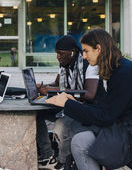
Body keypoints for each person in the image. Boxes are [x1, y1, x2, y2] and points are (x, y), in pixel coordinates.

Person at [46, 29, 132, 170]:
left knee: (80, 142)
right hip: (131, 125)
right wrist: (73, 102)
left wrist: (67, 104)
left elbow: (106, 116)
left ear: (99, 49)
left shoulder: (124, 73)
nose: (83, 56)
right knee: (72, 127)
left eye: (86, 51)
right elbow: (107, 109)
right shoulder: (117, 69)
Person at [36, 35, 105, 169]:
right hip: (67, 103)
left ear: (72, 52)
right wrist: (43, 88)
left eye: (61, 54)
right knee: (38, 116)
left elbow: (90, 95)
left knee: (62, 126)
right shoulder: (64, 66)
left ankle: (63, 162)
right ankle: (47, 155)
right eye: (57, 54)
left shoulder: (89, 65)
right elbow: (57, 85)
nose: (58, 57)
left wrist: (53, 90)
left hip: (84, 107)